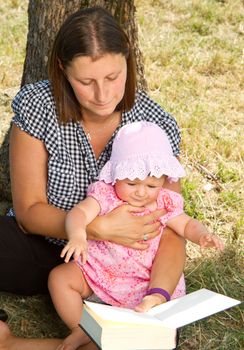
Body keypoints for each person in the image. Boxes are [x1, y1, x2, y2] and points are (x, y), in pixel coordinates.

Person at [0, 6, 187, 350]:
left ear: (128, 62)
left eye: (113, 77)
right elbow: (28, 211)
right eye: (86, 82)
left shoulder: (155, 125)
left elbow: (173, 227)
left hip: (126, 266)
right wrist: (95, 228)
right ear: (63, 70)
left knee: (154, 341)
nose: (102, 95)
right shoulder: (38, 107)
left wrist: (158, 294)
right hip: (50, 246)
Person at [48, 121, 224, 350]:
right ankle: (82, 328)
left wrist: (202, 235)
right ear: (117, 173)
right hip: (100, 272)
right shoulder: (106, 194)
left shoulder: (163, 202)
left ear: (163, 180)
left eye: (151, 185)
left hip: (141, 282)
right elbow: (79, 213)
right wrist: (78, 234)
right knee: (59, 278)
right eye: (132, 183)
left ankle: (125, 326)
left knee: (142, 329)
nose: (141, 192)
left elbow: (186, 224)